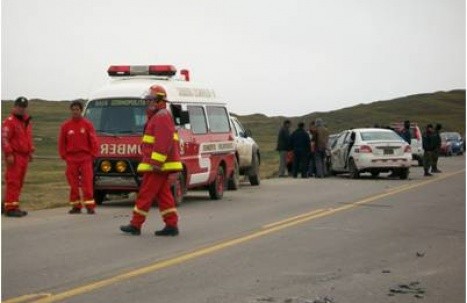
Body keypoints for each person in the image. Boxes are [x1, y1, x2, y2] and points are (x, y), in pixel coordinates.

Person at [120, 85, 183, 236]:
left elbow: (162, 142)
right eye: (147, 99)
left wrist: (156, 163)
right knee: (163, 195)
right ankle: (171, 224)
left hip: (157, 165)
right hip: (158, 164)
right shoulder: (159, 116)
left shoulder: (161, 116)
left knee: (145, 194)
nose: (148, 102)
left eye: (151, 99)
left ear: (159, 100)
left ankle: (135, 224)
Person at [58, 101, 98, 214]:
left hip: (85, 157)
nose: (75, 111)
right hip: (71, 158)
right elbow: (62, 142)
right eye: (73, 109)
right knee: (73, 183)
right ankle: (76, 205)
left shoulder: (87, 124)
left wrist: (93, 154)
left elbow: (93, 140)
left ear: (81, 111)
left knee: (87, 182)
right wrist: (63, 155)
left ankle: (89, 205)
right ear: (71, 111)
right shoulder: (66, 126)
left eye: (77, 109)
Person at [2, 97, 35, 217]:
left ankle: (9, 204)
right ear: (14, 107)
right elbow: (4, 138)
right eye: (19, 107)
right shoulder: (9, 122)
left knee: (19, 182)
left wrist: (30, 151)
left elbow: (28, 138)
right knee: (13, 181)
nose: (21, 109)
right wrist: (9, 153)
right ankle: (11, 208)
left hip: (24, 156)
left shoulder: (25, 122)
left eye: (23, 107)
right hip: (14, 155)